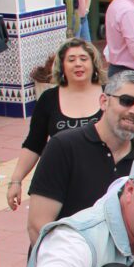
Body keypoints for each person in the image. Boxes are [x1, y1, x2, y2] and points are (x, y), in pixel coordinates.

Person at [26, 71, 134, 243]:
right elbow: (38, 225)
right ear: (104, 101)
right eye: (126, 100)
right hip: (62, 263)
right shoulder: (64, 146)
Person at [9, 39, 104, 210]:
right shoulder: (49, 99)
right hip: (57, 181)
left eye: (83, 59)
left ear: (94, 64)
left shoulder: (110, 95)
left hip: (100, 182)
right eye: (71, 59)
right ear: (62, 66)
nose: (78, 64)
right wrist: (16, 181)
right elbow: (34, 143)